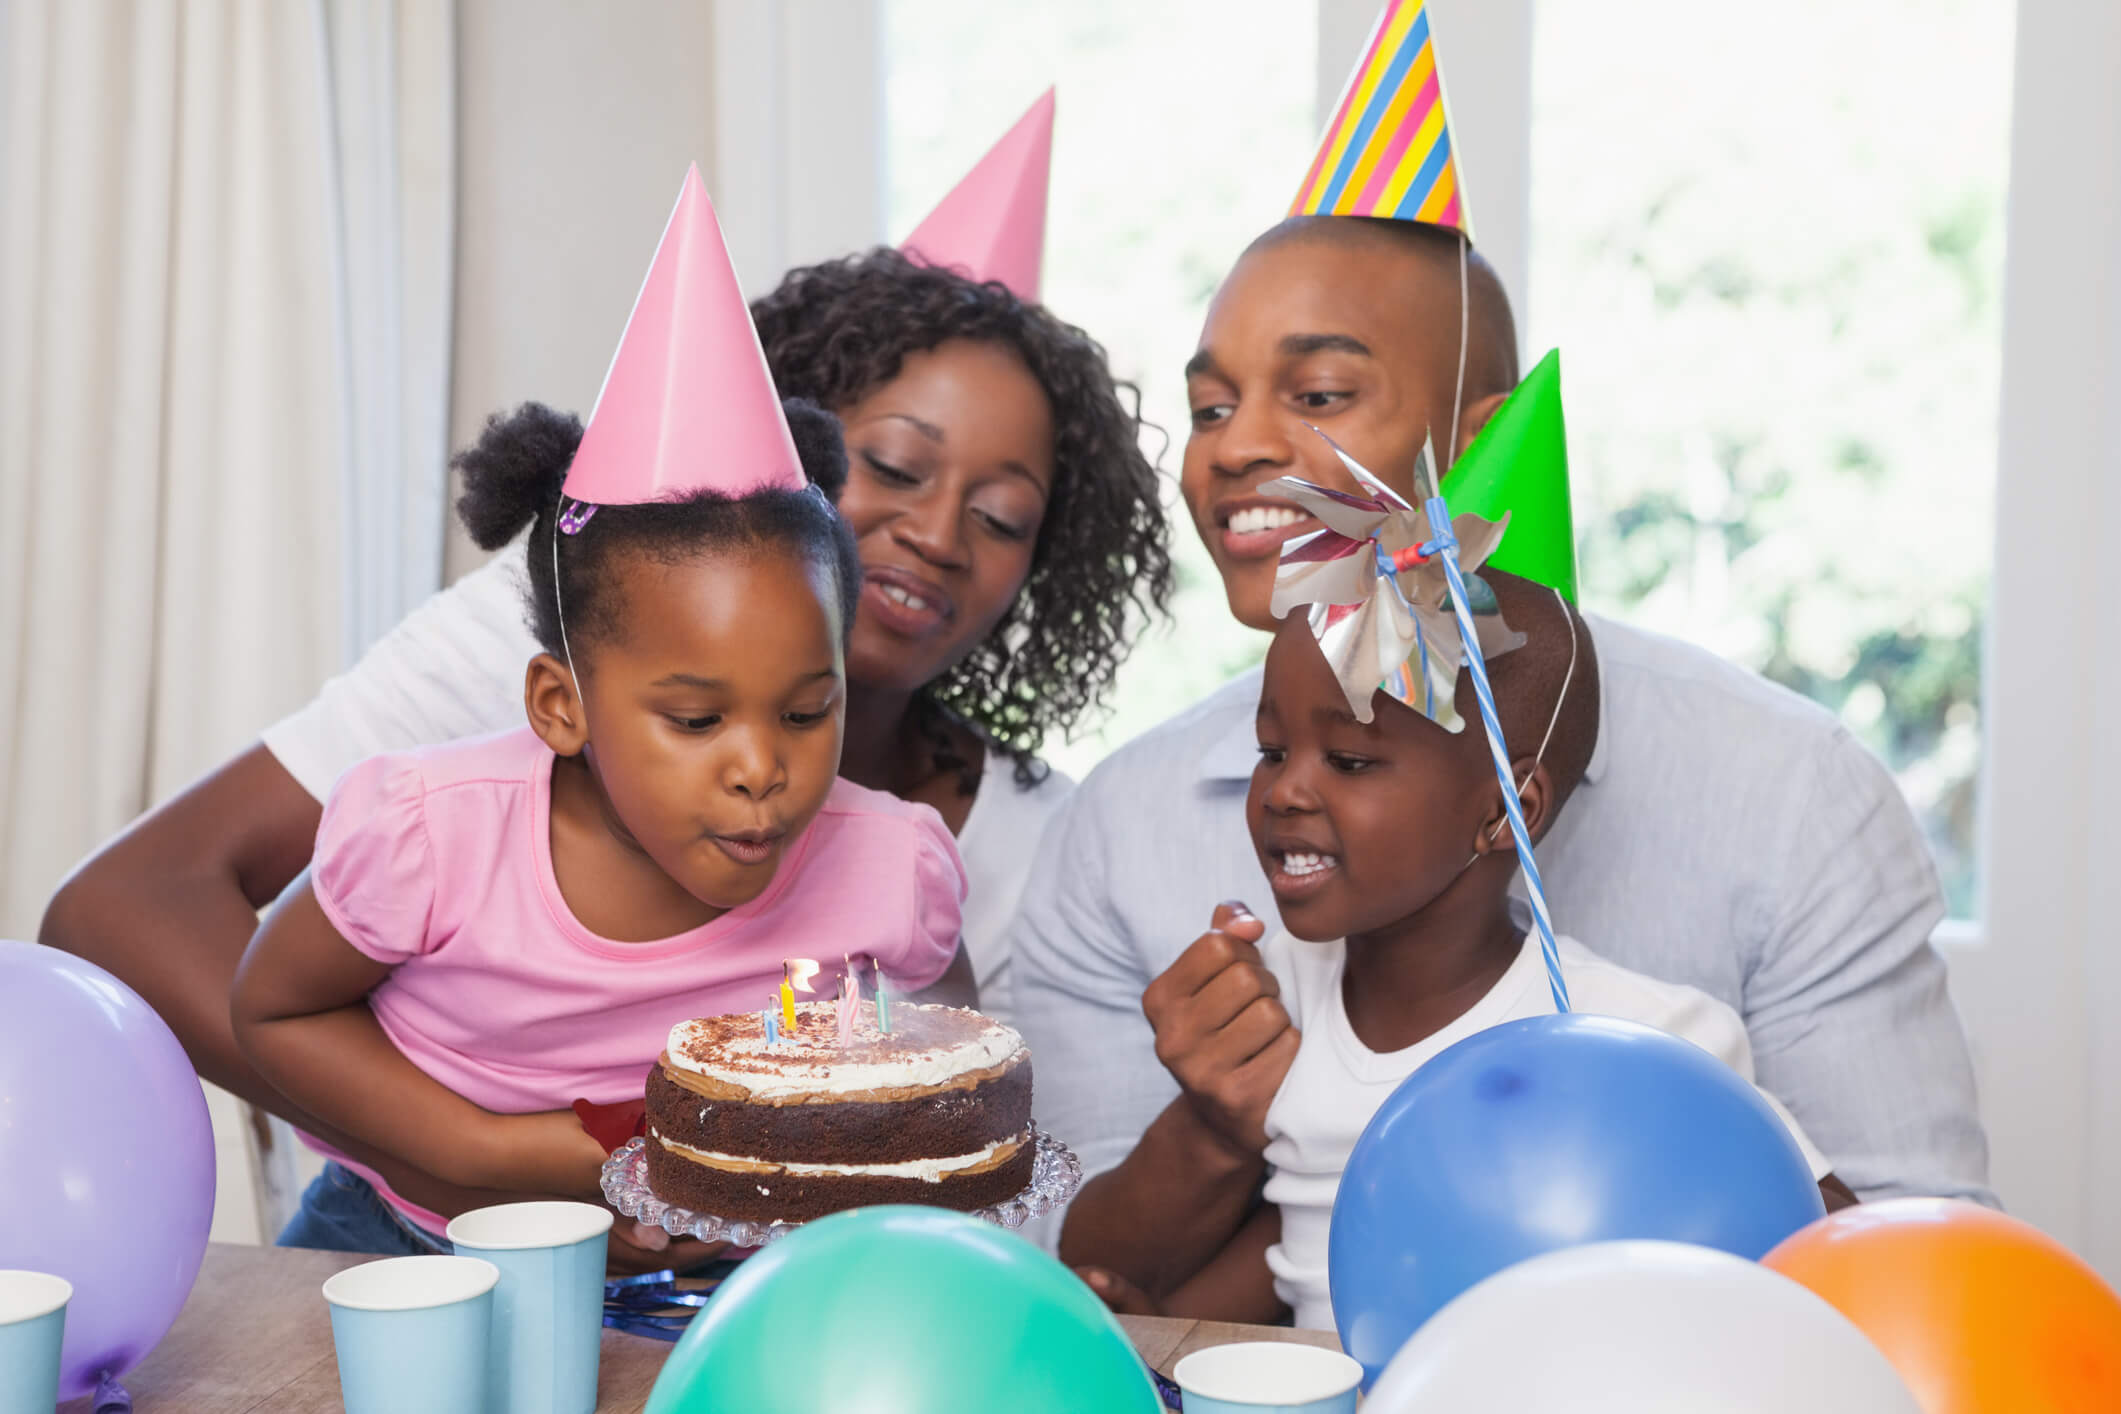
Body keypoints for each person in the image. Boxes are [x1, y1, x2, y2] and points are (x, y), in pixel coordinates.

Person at [39, 164, 1169, 1253]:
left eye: (1004, 514)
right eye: (896, 466)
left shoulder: (938, 855)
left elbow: (944, 1099)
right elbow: (162, 934)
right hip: (419, 1232)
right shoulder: (502, 715)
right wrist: (476, 1158)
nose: (937, 533)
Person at [1013, 220, 1988, 1269]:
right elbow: (1092, 1290)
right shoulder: (1116, 831)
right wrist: (1212, 1131)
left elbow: (1915, 1276)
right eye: (1209, 407)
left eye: (1320, 393)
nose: (1233, 446)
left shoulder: (1796, 795)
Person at [230, 171, 976, 1253]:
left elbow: (951, 1081)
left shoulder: (892, 872)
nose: (762, 766)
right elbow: (275, 1011)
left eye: (808, 711)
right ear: (561, 704)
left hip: (725, 1276)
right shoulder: (432, 837)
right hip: (415, 1235)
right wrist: (500, 1157)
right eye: (695, 719)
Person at [1067, 566, 1843, 1326]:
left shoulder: (1643, 1034)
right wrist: (1155, 1330)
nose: (1284, 791)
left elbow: (1838, 1255)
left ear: (1507, 809)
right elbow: (1303, 1256)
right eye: (1271, 750)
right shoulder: (1276, 1002)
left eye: (1348, 761)